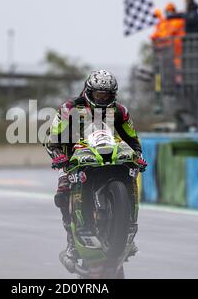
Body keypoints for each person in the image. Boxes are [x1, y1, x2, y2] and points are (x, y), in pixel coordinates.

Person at [44, 70, 147, 259]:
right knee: (62, 194)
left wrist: (138, 155)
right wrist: (58, 155)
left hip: (111, 153)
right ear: (88, 91)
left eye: (106, 94)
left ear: (113, 94)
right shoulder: (69, 108)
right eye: (98, 94)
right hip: (72, 159)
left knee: (132, 174)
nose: (102, 98)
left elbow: (132, 139)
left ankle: (127, 233)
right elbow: (52, 139)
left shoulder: (120, 111)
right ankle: (72, 242)